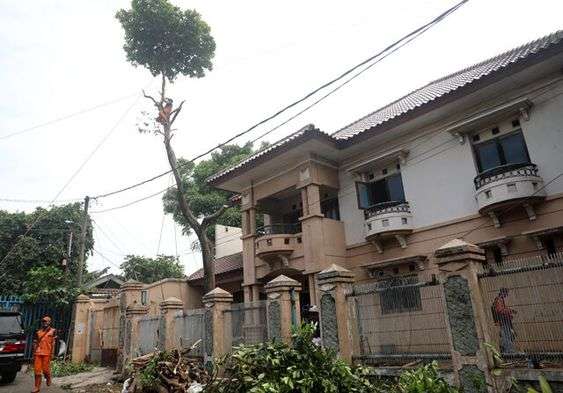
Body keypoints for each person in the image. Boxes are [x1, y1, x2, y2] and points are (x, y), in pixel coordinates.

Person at [32, 316, 57, 393]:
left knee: (45, 370)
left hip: (47, 353)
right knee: (37, 371)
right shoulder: (38, 332)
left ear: (50, 322)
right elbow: (35, 343)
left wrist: (52, 353)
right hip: (38, 353)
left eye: (46, 321)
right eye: (43, 321)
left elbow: (54, 343)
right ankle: (37, 387)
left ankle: (48, 377)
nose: (45, 323)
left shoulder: (53, 331)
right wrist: (34, 352)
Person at [492, 288, 517, 354]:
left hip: (505, 321)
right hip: (503, 321)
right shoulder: (498, 300)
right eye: (506, 293)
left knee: (508, 336)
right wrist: (510, 311)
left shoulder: (500, 300)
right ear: (503, 293)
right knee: (506, 337)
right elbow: (500, 310)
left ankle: (507, 351)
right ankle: (508, 352)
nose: (507, 295)